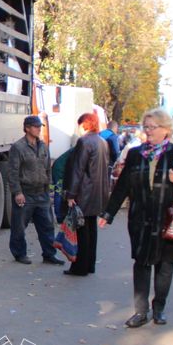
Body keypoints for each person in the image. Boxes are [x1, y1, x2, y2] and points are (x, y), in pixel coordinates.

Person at [99, 108, 173, 327]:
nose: (149, 131)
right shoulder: (136, 154)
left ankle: (159, 308)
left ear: (166, 129)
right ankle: (140, 312)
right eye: (146, 127)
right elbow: (123, 186)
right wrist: (108, 213)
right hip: (140, 218)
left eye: (153, 127)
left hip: (169, 220)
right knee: (141, 264)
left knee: (165, 265)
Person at [7, 115, 65, 265]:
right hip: (25, 193)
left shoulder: (43, 146)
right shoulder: (18, 147)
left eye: (40, 127)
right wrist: (17, 192)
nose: (39, 129)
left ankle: (49, 254)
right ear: (27, 128)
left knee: (47, 226)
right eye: (36, 126)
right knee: (19, 226)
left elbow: (48, 168)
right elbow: (12, 172)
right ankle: (20, 254)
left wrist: (49, 187)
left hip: (42, 193)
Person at [64, 112, 111, 276]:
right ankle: (90, 264)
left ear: (84, 124)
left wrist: (71, 194)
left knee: (82, 231)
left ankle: (80, 267)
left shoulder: (84, 142)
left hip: (84, 192)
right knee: (91, 229)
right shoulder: (103, 142)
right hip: (98, 193)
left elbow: (78, 169)